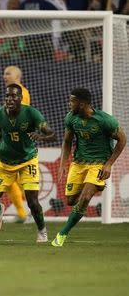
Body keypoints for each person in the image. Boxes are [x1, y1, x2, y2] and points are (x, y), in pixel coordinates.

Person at [0, 84, 55, 242]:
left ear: (21, 98)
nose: (10, 99)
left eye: (14, 96)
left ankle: (42, 231)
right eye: (7, 96)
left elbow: (52, 134)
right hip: (5, 162)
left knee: (32, 201)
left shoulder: (31, 113)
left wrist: (40, 137)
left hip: (28, 161)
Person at [52, 88, 126, 247]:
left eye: (72, 101)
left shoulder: (105, 121)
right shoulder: (71, 118)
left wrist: (109, 164)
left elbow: (122, 140)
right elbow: (67, 141)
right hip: (78, 164)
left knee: (85, 198)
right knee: (71, 201)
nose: (69, 103)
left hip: (98, 164)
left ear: (82, 103)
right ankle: (80, 208)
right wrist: (63, 163)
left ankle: (62, 234)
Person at [0, 66, 30, 223]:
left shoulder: (20, 93)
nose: (4, 76)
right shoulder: (17, 92)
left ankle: (23, 212)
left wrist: (0, 137)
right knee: (12, 177)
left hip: (15, 141)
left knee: (7, 176)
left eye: (8, 73)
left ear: (17, 76)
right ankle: (23, 212)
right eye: (4, 73)